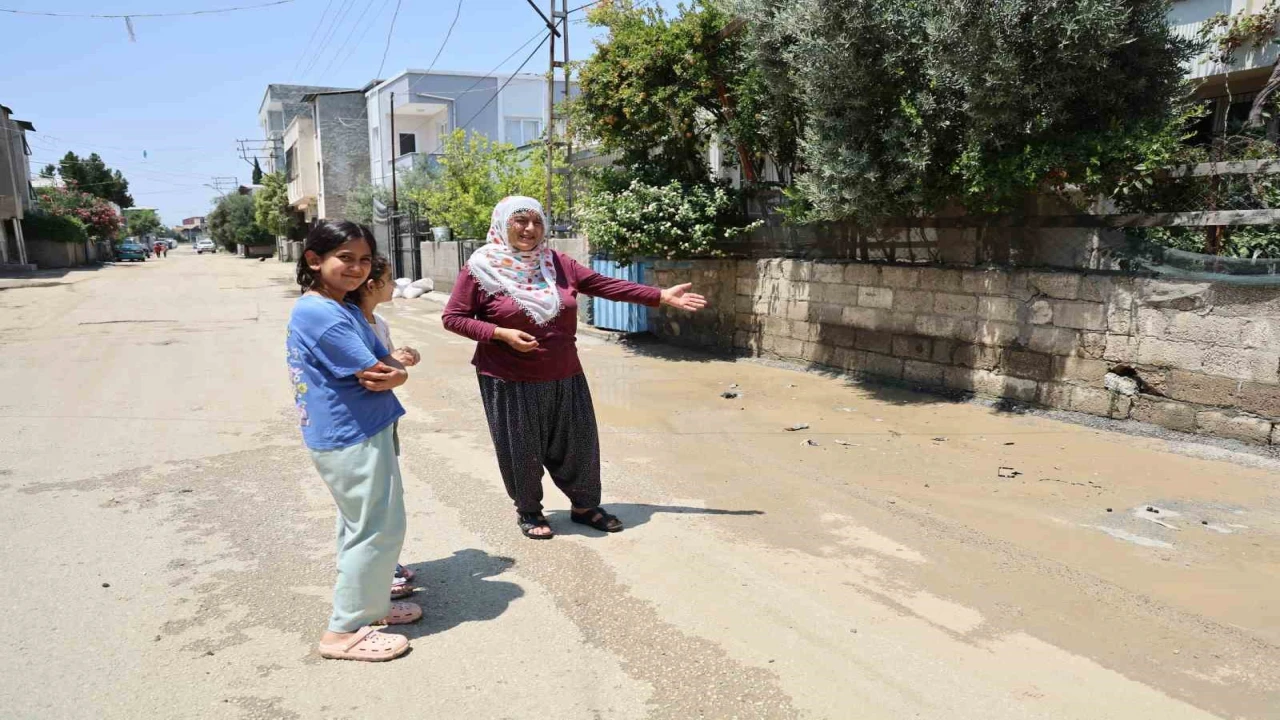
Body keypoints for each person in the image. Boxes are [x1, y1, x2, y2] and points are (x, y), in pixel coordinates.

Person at [442, 196, 707, 539]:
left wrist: (659, 295)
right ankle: (529, 510)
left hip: (565, 372)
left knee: (579, 444)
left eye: (537, 222)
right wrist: (499, 333)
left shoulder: (556, 263)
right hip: (508, 377)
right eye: (520, 221)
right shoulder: (481, 267)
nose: (529, 229)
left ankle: (584, 506)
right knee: (521, 448)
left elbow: (603, 284)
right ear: (502, 224)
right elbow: (453, 317)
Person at [287, 220, 421, 661]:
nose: (357, 268)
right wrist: (397, 372)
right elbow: (381, 372)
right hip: (350, 434)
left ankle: (372, 604)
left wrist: (393, 369)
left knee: (362, 524)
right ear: (313, 259)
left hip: (361, 428)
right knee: (377, 528)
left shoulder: (339, 305)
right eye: (345, 258)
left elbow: (382, 361)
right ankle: (343, 632)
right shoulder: (322, 314)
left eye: (364, 259)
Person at [345, 254, 421, 598]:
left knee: (387, 495)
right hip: (363, 425)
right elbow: (373, 373)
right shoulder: (350, 323)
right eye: (390, 279)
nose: (393, 285)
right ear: (372, 285)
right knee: (374, 500)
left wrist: (400, 359)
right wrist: (394, 366)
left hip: (383, 419)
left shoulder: (377, 322)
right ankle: (379, 576)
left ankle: (386, 562)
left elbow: (387, 364)